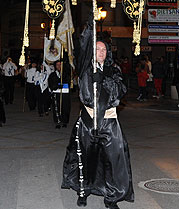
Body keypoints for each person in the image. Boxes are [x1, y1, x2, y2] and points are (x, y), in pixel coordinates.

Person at [62, 22, 133, 209]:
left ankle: (111, 196)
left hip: (109, 121)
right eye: (97, 49)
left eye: (104, 50)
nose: (101, 52)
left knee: (113, 159)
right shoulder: (85, 69)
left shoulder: (114, 70)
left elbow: (120, 91)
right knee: (85, 158)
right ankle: (83, 191)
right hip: (87, 121)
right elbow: (82, 47)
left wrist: (104, 81)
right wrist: (90, 25)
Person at [48, 60, 71, 128]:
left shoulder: (66, 74)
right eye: (57, 65)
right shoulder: (52, 75)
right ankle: (57, 121)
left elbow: (68, 82)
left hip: (65, 93)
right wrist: (56, 86)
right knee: (56, 108)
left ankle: (64, 121)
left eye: (60, 65)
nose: (59, 66)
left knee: (65, 107)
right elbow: (51, 84)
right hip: (56, 93)